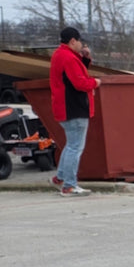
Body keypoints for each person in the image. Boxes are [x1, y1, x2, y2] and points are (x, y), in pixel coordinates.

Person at [48, 26, 101, 195]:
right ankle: (69, 185)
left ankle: (60, 178)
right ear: (73, 41)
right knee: (75, 148)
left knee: (70, 145)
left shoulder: (60, 55)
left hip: (64, 108)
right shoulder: (69, 58)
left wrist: (84, 59)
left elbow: (72, 75)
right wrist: (95, 82)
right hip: (74, 108)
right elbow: (80, 82)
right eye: (80, 42)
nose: (81, 45)